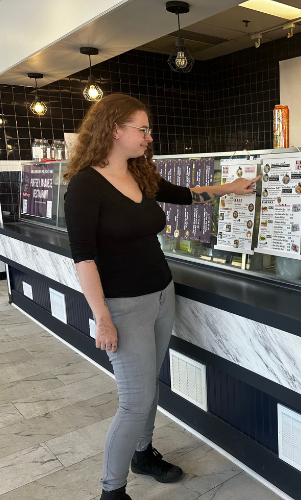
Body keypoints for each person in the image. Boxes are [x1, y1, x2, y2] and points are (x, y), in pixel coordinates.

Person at [63, 94, 259, 500]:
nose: (149, 137)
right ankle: (111, 492)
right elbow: (83, 259)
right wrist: (102, 317)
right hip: (122, 306)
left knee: (149, 386)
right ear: (115, 130)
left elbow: (185, 193)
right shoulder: (84, 186)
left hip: (160, 295)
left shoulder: (140, 173)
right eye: (142, 129)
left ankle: (143, 454)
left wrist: (231, 187)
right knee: (135, 402)